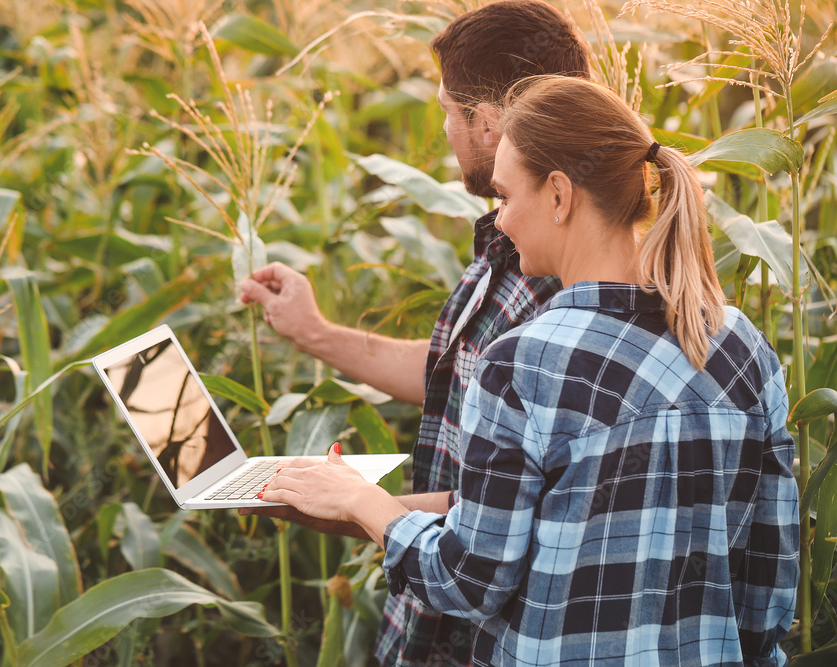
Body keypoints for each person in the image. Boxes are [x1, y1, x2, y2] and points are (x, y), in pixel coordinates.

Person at [260, 75, 800, 666]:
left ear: (560, 196)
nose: (502, 220)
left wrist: (362, 501)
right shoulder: (743, 346)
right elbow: (768, 588)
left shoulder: (524, 363)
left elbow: (467, 580)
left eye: (506, 195)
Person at [240, 3, 591, 663]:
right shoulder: (509, 241)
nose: (443, 130)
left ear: (487, 125)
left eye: (448, 113)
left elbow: (525, 506)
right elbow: (455, 378)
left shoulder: (561, 279)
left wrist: (356, 505)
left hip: (480, 629)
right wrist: (314, 333)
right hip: (432, 607)